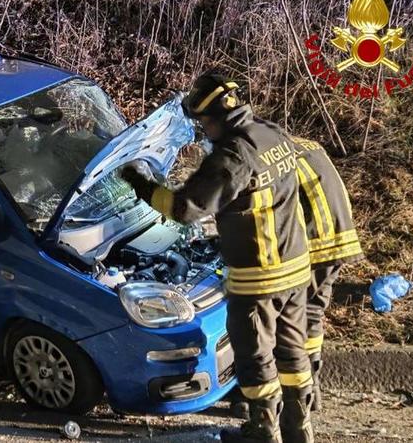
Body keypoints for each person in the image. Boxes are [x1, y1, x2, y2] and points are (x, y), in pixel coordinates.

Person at [121, 73, 314, 443]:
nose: (203, 131)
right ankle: (298, 426)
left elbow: (185, 208)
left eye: (204, 124)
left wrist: (139, 183)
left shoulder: (233, 156)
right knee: (292, 348)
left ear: (217, 119)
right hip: (295, 268)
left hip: (260, 277)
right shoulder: (271, 133)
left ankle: (262, 431)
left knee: (255, 355)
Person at [290, 135, 364, 410]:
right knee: (312, 311)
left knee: (286, 314)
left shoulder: (266, 152)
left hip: (314, 242)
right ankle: (312, 391)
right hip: (339, 237)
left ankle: (294, 397)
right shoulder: (307, 144)